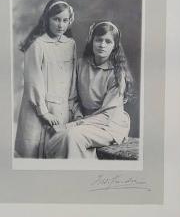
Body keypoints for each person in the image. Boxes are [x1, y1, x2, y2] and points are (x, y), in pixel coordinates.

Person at [46, 21, 133, 159]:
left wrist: (72, 125)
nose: (102, 45)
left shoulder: (116, 74)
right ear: (92, 41)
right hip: (84, 120)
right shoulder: (81, 64)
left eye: (108, 41)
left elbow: (107, 115)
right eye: (98, 40)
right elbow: (73, 98)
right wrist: (78, 117)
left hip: (108, 124)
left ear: (114, 46)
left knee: (72, 136)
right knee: (55, 138)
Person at [14, 0, 78, 158]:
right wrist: (43, 112)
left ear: (70, 21)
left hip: (61, 109)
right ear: (47, 19)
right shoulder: (37, 45)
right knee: (35, 153)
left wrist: (71, 106)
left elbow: (73, 78)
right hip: (38, 109)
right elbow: (33, 80)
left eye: (65, 20)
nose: (60, 25)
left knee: (57, 152)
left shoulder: (71, 44)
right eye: (56, 19)